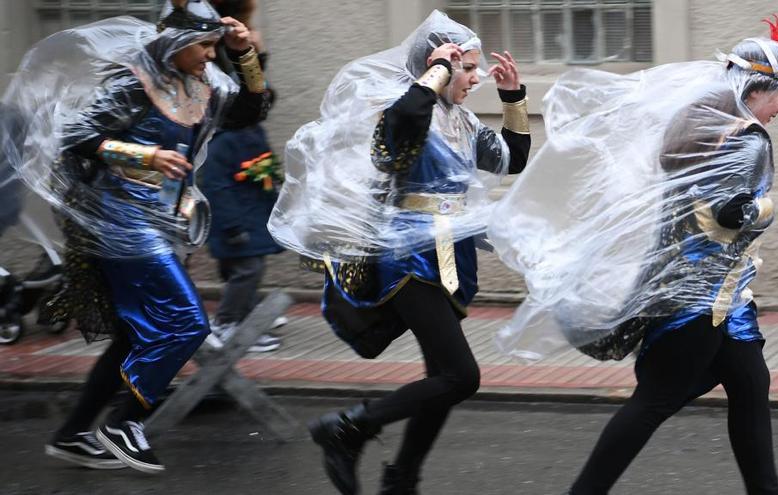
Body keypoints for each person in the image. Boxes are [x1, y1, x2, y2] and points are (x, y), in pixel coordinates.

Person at [487, 13, 778, 495]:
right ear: (755, 88)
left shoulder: (698, 126)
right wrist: (764, 209)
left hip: (719, 291)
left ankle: (767, 492)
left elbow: (700, 209)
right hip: (698, 296)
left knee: (750, 383)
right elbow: (726, 217)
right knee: (654, 401)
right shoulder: (746, 141)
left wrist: (731, 216)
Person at [0, 0, 269, 473]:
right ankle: (125, 422)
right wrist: (146, 156)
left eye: (213, 45)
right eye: (203, 45)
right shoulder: (134, 83)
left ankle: (72, 433)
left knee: (131, 336)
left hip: (165, 222)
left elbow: (250, 110)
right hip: (120, 217)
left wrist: (244, 53)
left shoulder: (203, 85)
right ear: (175, 43)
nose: (210, 54)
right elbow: (73, 136)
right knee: (188, 322)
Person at [268, 11, 530, 494]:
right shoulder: (404, 110)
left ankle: (402, 478)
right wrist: (435, 73)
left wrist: (514, 96)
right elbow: (398, 134)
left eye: (475, 69)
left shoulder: (464, 121)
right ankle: (348, 428)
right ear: (437, 68)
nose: (476, 78)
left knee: (440, 376)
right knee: (461, 376)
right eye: (465, 68)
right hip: (408, 256)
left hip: (450, 255)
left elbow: (511, 159)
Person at [201, 0, 283, 353]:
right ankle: (226, 325)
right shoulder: (222, 141)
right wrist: (233, 225)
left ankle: (244, 320)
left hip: (247, 216)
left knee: (241, 271)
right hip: (236, 222)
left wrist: (252, 55)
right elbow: (215, 184)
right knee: (244, 270)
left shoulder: (247, 132)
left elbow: (257, 99)